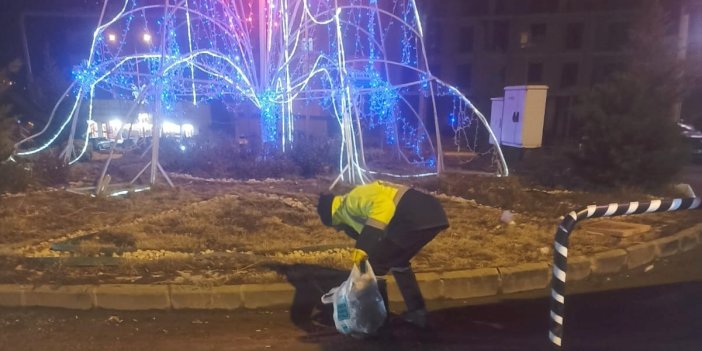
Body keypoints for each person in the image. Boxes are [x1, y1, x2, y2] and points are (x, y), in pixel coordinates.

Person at [317, 180, 449, 328]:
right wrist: (367, 244)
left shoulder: (352, 199)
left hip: (413, 216)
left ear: (333, 217)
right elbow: (379, 231)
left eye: (336, 227)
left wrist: (363, 246)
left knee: (375, 265)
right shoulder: (351, 212)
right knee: (398, 261)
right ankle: (417, 313)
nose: (338, 230)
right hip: (429, 215)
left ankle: (379, 321)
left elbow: (384, 207)